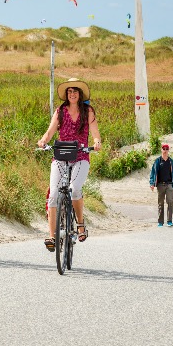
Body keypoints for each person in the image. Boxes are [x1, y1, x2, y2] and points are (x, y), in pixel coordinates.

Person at [37, 78, 102, 252]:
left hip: (81, 155)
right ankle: (52, 236)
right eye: (69, 92)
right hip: (60, 156)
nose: (72, 94)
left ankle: (80, 224)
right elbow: (50, 131)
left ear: (80, 95)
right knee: (53, 194)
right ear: (67, 95)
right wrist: (43, 141)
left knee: (74, 189)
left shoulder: (87, 111)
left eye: (75, 91)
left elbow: (95, 132)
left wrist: (96, 142)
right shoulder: (60, 111)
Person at [149, 143, 173, 227]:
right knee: (160, 203)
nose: (165, 151)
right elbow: (153, 173)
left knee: (170, 202)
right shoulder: (158, 161)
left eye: (166, 149)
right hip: (160, 185)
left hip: (169, 184)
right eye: (163, 149)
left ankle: (169, 221)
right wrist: (152, 183)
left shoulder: (170, 161)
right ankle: (160, 222)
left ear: (168, 150)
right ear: (161, 150)